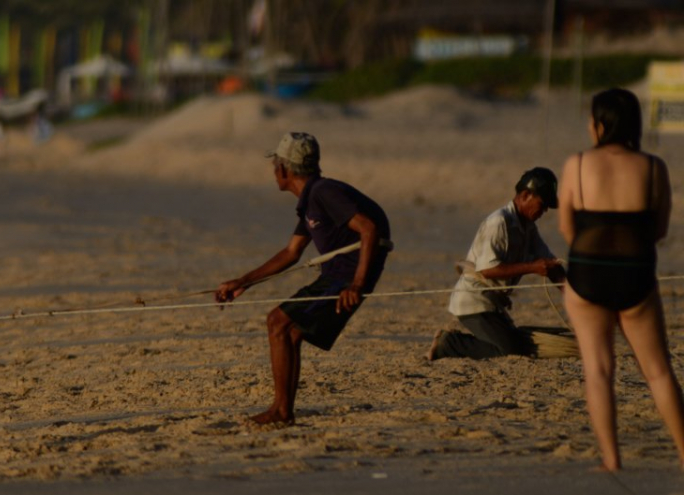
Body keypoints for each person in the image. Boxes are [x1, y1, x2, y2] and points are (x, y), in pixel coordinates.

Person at [216, 132, 392, 425]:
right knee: (292, 331)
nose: (274, 172)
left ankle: (281, 411)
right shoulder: (312, 198)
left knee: (277, 321)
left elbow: (369, 229)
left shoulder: (324, 193)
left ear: (284, 169)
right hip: (338, 275)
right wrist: (242, 282)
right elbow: (291, 252)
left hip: (345, 277)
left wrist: (357, 285)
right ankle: (283, 410)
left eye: (275, 166)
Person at [558, 88, 684, 471]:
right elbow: (659, 231)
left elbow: (567, 229)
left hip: (587, 272)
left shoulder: (577, 164)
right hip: (636, 272)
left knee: (598, 368)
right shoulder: (652, 167)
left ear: (598, 126)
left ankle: (611, 459)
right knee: (658, 369)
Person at [427, 167, 565, 360]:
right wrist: (532, 268)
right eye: (542, 204)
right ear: (525, 195)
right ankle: (448, 344)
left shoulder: (529, 228)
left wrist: (572, 295)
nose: (545, 210)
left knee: (519, 344)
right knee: (508, 351)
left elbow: (551, 265)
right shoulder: (499, 222)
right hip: (474, 301)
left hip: (492, 303)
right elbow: (488, 270)